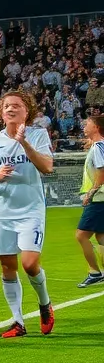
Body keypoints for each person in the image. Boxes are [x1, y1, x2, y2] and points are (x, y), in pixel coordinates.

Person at [0, 91, 55, 337]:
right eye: (6, 106)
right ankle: (18, 321)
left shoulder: (38, 135)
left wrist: (24, 142)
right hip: (2, 211)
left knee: (30, 264)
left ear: (26, 111)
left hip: (31, 209)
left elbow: (47, 167)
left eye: (16, 106)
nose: (10, 109)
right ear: (1, 112)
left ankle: (44, 304)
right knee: (7, 265)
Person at [75, 114, 104, 288]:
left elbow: (102, 174)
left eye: (88, 123)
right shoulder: (98, 146)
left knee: (81, 235)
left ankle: (94, 272)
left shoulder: (99, 147)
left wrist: (90, 193)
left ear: (97, 127)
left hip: (99, 198)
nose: (85, 126)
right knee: (101, 236)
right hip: (101, 197)